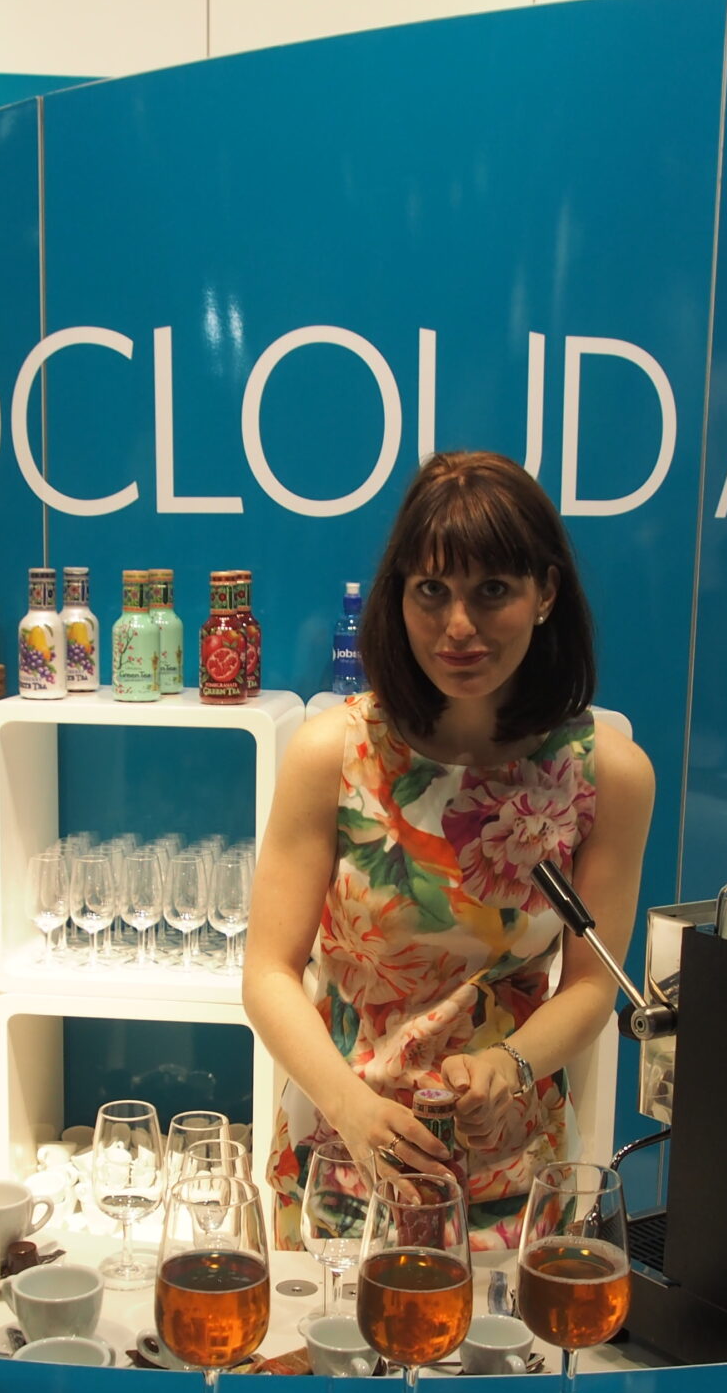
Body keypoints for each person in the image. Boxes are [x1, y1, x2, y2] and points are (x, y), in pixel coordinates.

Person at [242, 451, 655, 1253]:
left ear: (546, 594)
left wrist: (512, 1064)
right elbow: (267, 972)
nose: (458, 625)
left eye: (492, 590)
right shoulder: (333, 753)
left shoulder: (606, 775)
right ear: (398, 597)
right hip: (342, 1152)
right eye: (432, 590)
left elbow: (593, 984)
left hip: (513, 1168)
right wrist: (349, 1108)